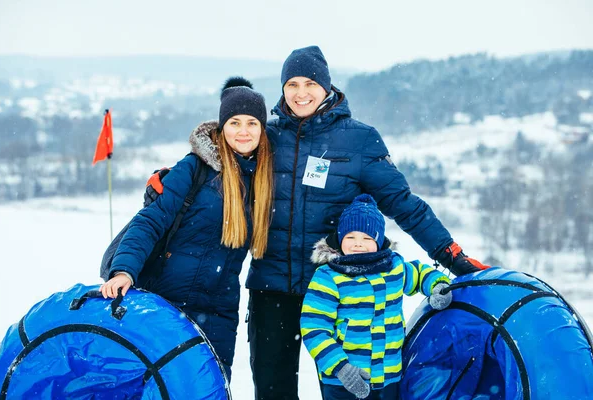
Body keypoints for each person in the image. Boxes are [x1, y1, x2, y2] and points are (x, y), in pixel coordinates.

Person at [245, 45, 488, 399]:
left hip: (341, 289)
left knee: (346, 391)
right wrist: (172, 180)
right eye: (292, 84)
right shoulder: (267, 137)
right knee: (272, 392)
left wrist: (452, 255)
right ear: (282, 88)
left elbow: (405, 205)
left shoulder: (359, 139)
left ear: (327, 87)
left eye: (310, 83)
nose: (301, 93)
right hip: (272, 288)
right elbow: (220, 166)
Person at [99, 77, 273, 381]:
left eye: (252, 123)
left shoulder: (264, 179)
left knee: (206, 387)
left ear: (262, 129)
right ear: (221, 127)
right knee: (151, 385)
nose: (243, 131)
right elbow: (150, 220)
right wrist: (124, 270)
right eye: (234, 122)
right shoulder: (195, 169)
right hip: (163, 300)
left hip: (218, 312)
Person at [300, 194, 452, 400]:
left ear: (379, 241)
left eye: (367, 238)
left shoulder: (394, 268)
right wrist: (341, 367)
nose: (358, 244)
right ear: (340, 239)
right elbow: (314, 328)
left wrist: (437, 285)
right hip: (342, 381)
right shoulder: (328, 277)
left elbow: (419, 273)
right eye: (350, 237)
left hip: (388, 377)